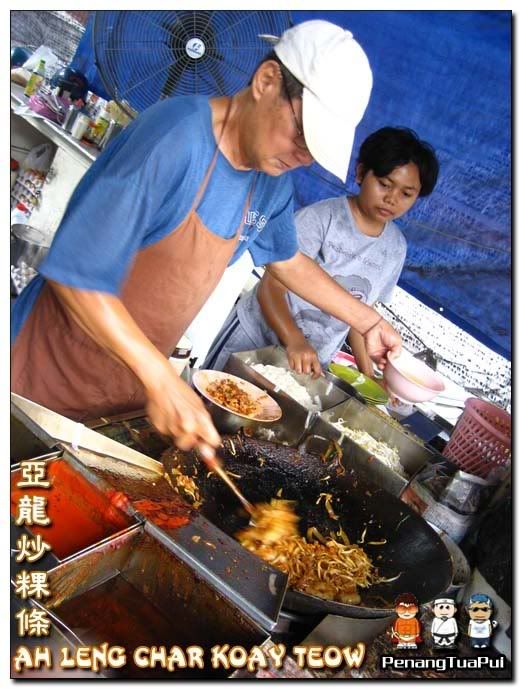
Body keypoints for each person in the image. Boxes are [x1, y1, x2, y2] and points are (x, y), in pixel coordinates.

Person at [11, 20, 401, 460]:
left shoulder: (270, 180)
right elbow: (75, 276)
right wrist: (160, 376)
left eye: (314, 150)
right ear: (266, 81)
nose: (301, 157)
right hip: (43, 379)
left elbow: (287, 261)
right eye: (300, 135)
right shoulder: (175, 137)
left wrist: (367, 322)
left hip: (122, 396)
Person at [204, 127, 439, 378]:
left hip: (308, 364)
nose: (392, 198)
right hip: (253, 340)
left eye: (406, 193)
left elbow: (359, 317)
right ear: (360, 173)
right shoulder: (321, 219)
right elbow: (270, 288)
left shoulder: (395, 249)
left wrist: (368, 377)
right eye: (384, 184)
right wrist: (294, 339)